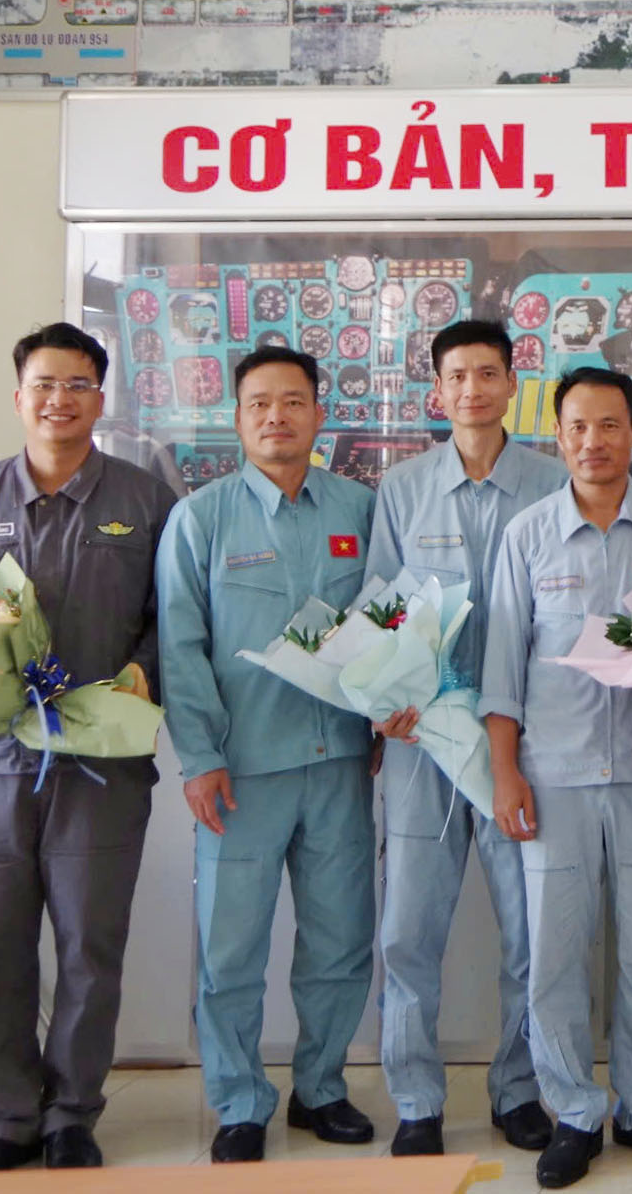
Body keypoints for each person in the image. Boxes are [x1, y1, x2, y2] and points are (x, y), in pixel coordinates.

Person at [0, 323, 179, 1172]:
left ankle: (71, 1113)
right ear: (18, 396)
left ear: (100, 398)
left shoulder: (146, 500)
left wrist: (143, 675)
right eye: (43, 383)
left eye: (76, 384)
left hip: (100, 764)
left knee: (89, 947)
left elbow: (173, 621)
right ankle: (5, 1118)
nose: (58, 399)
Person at [481, 368, 632, 1190]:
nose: (594, 441)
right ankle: (575, 1111)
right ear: (557, 435)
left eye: (611, 424)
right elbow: (502, 666)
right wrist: (505, 771)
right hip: (554, 776)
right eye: (578, 426)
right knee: (555, 954)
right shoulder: (526, 534)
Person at [155, 347, 379, 1164]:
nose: (276, 416)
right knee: (231, 948)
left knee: (340, 939)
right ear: (238, 418)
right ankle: (239, 1100)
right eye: (259, 403)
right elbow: (180, 647)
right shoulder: (201, 517)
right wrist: (198, 756)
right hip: (241, 770)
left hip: (339, 762)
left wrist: (385, 713)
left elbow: (390, 619)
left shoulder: (361, 508)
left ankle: (322, 1087)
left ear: (319, 413)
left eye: (292, 401)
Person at [367, 321, 564, 1159]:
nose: (474, 390)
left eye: (489, 373)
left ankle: (518, 1089)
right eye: (458, 375)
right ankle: (416, 1099)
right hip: (423, 747)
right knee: (408, 932)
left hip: (522, 747)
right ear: (437, 389)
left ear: (514, 383)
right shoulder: (402, 487)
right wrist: (382, 698)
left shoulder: (554, 483)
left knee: (529, 932)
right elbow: (380, 607)